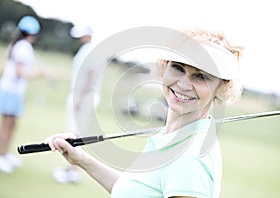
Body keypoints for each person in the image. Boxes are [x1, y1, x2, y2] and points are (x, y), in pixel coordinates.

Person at [45, 28, 243, 197]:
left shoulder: (190, 156)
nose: (183, 84)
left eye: (200, 76)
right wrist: (80, 159)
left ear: (221, 87)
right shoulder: (171, 136)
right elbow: (133, 192)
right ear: (164, 67)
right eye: (178, 68)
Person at [52, 25, 99, 183]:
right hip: (82, 96)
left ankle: (73, 172)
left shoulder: (89, 50)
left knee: (76, 134)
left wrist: (79, 97)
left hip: (83, 97)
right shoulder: (87, 49)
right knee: (75, 132)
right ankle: (72, 169)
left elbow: (91, 76)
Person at [0, 15, 47, 174]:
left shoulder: (19, 44)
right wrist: (38, 73)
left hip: (12, 91)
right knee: (7, 125)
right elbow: (20, 72)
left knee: (10, 125)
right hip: (11, 91)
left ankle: (5, 154)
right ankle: (1, 156)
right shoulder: (23, 46)